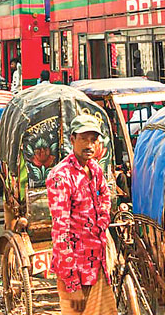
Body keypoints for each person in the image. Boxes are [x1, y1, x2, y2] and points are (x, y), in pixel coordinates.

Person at [46, 114, 116, 315]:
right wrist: (71, 284)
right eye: (84, 138)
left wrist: (101, 222)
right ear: (72, 140)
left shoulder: (94, 168)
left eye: (93, 139)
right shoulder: (61, 176)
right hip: (76, 270)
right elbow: (60, 232)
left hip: (97, 266)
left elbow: (105, 195)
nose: (89, 144)